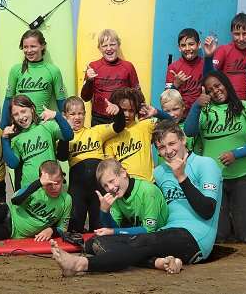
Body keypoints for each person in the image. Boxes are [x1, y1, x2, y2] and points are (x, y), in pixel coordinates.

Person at [49, 121, 223, 276]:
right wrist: (105, 211)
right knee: (96, 243)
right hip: (165, 232)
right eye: (161, 147)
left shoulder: (205, 164)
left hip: (195, 238)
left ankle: (81, 264)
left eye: (172, 143)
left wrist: (182, 178)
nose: (168, 151)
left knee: (142, 240)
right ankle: (159, 262)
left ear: (183, 140)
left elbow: (207, 211)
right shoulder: (160, 173)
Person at [184, 70, 246, 244]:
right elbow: (189, 131)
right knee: (220, 237)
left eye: (218, 85)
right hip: (213, 181)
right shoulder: (205, 111)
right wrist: (196, 106)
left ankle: (242, 221)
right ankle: (226, 222)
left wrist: (236, 154)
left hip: (243, 177)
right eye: (210, 89)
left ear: (226, 84)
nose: (215, 91)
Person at [57, 96, 126, 232]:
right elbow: (62, 156)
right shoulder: (64, 137)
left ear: (85, 114)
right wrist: (66, 131)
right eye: (72, 114)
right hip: (78, 189)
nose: (77, 117)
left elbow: (119, 126)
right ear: (65, 116)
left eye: (80, 113)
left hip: (98, 188)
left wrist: (118, 112)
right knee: (74, 227)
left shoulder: (96, 131)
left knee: (99, 227)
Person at [1, 95, 73, 189]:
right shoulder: (16, 138)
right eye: (16, 114)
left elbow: (69, 135)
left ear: (32, 109)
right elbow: (13, 164)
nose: (21, 117)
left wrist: (57, 115)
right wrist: (5, 139)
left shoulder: (46, 126)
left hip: (51, 185)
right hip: (30, 189)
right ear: (12, 117)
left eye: (23, 111)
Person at [1, 29, 67, 128]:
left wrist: (66, 124)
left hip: (42, 125)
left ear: (42, 46)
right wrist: (3, 128)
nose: (29, 50)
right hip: (20, 126)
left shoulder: (53, 71)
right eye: (25, 47)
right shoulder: (16, 70)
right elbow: (8, 101)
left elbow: (61, 103)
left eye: (33, 46)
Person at [102, 88, 169, 182]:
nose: (127, 114)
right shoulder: (110, 136)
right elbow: (111, 168)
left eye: (131, 110)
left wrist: (156, 112)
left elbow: (172, 122)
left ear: (137, 110)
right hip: (126, 188)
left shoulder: (146, 125)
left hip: (148, 185)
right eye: (123, 110)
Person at [91, 158, 168, 237]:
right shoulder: (116, 196)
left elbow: (148, 230)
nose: (110, 188)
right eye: (105, 186)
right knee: (93, 242)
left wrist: (113, 232)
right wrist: (104, 211)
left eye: (111, 181)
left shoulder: (148, 191)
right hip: (136, 238)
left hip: (159, 236)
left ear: (123, 173)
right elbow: (111, 229)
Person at [80, 29, 140, 125]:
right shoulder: (93, 66)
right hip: (99, 119)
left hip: (122, 117)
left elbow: (138, 96)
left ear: (118, 45)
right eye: (104, 46)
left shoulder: (128, 67)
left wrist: (141, 119)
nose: (109, 48)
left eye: (112, 44)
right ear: (99, 48)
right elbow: (85, 97)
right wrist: (89, 80)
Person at [209, 13, 246, 99]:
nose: (241, 38)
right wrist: (209, 56)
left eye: (245, 33)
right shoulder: (223, 50)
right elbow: (210, 74)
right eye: (237, 34)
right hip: (227, 103)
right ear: (231, 33)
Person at [164, 28, 213, 110]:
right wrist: (176, 84)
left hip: (203, 113)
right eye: (183, 45)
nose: (187, 48)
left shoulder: (205, 64)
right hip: (181, 115)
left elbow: (213, 83)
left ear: (199, 44)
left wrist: (209, 56)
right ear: (179, 47)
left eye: (191, 44)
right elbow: (166, 98)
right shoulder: (173, 67)